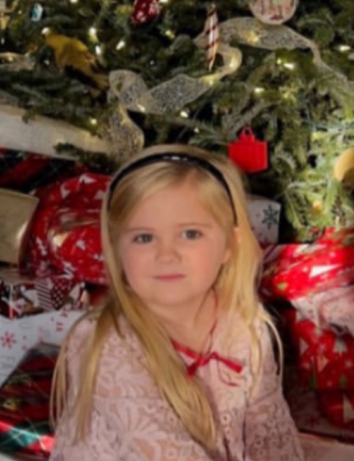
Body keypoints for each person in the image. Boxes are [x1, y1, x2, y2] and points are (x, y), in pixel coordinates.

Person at [50, 145, 304, 461]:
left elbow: (272, 438)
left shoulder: (245, 327)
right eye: (144, 238)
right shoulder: (106, 342)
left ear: (229, 245)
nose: (166, 255)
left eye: (190, 234)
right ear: (118, 250)